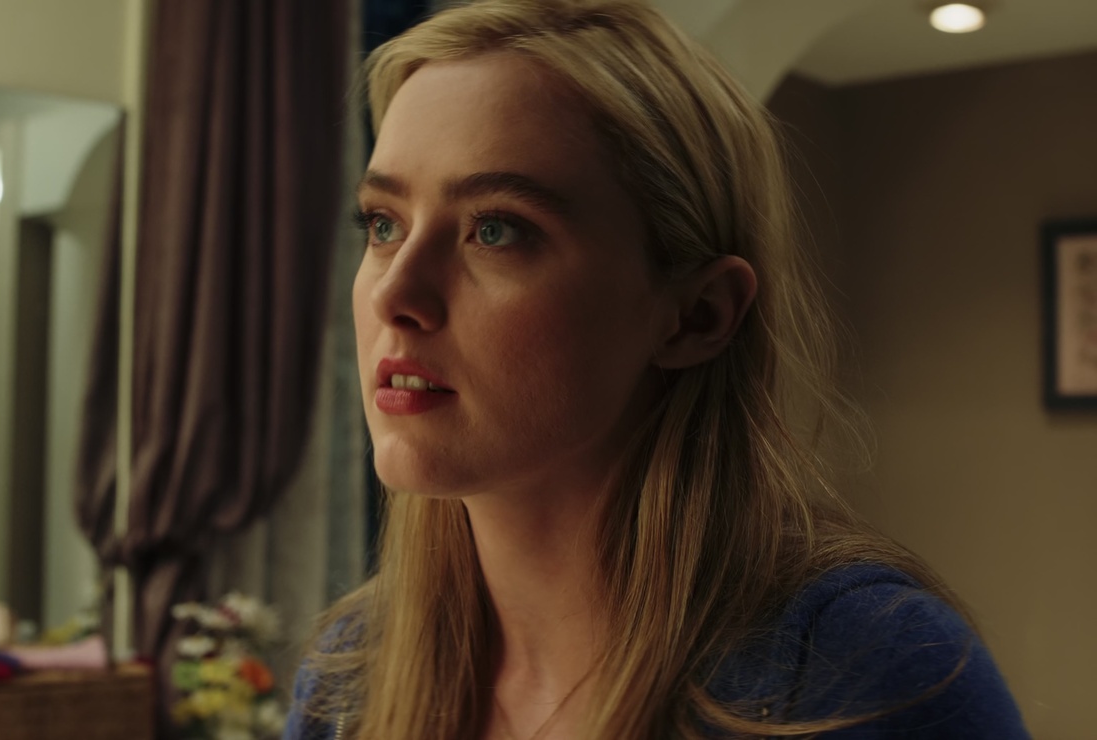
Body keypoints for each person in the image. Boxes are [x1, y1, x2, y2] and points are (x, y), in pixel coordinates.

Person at [284, 1, 1030, 738]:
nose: (394, 295)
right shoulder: (351, 682)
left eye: (496, 229)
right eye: (383, 224)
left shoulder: (863, 674)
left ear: (697, 315)